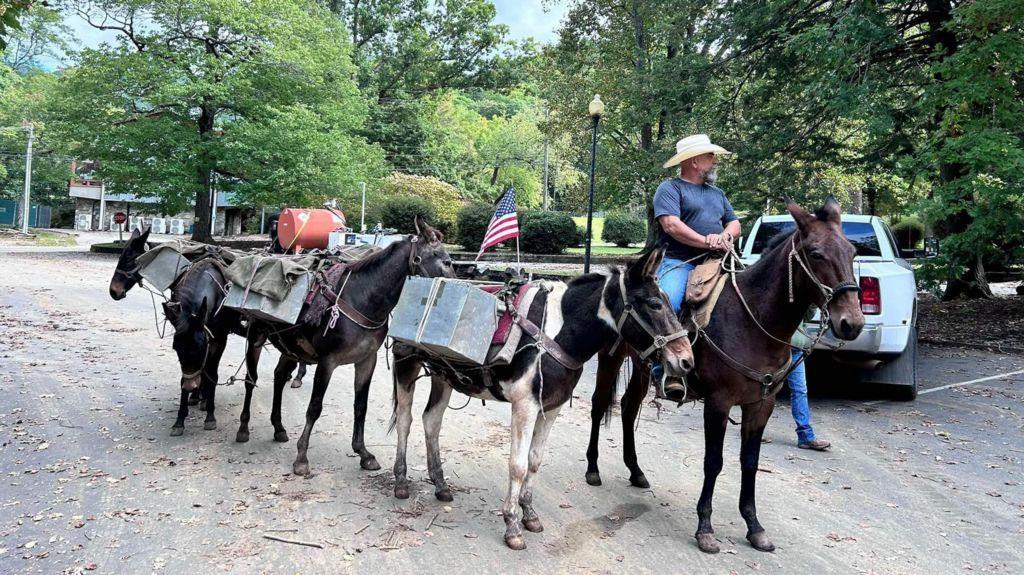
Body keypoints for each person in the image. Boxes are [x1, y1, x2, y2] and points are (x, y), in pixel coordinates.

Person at [652, 134, 741, 401]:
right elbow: (671, 225)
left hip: (718, 262)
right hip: (679, 262)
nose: (714, 161)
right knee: (668, 302)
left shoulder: (718, 194)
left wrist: (725, 237)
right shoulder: (669, 189)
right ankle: (665, 369)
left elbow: (734, 223)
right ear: (693, 161)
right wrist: (706, 241)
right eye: (709, 156)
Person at [787, 334, 831, 450]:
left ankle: (805, 437)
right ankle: (754, 429)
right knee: (767, 388)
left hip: (796, 350)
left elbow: (806, 318)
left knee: (800, 390)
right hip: (775, 349)